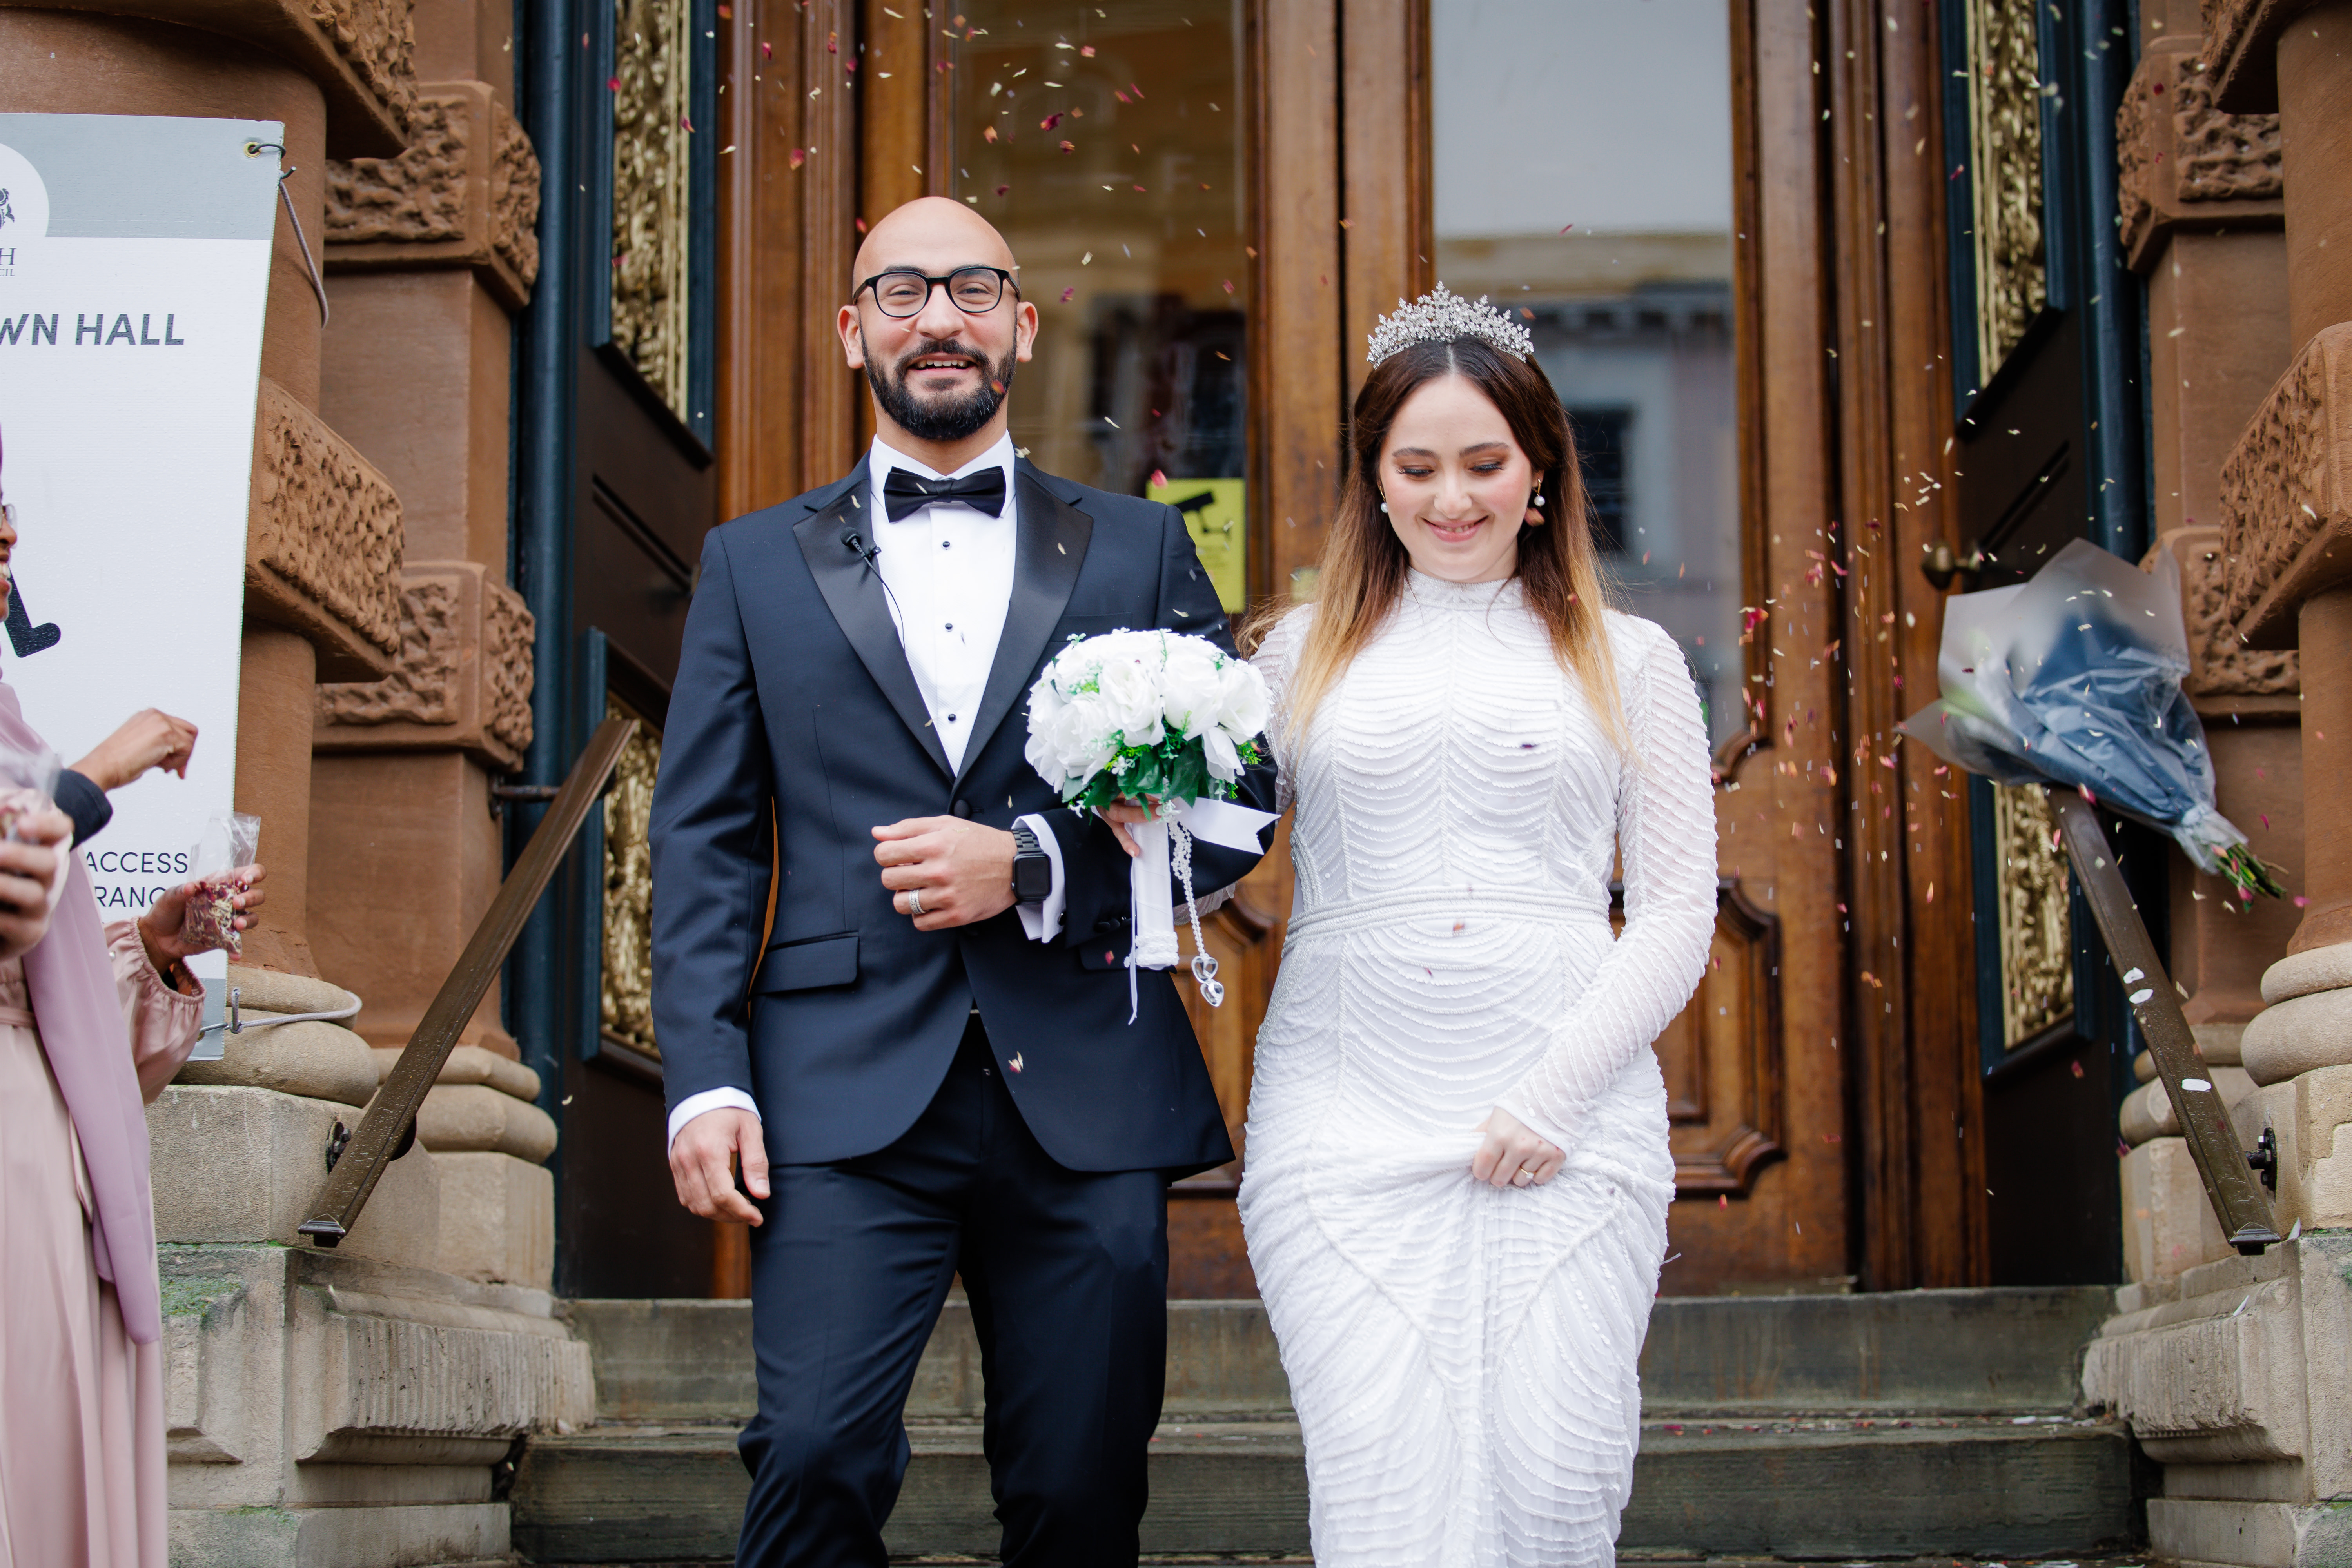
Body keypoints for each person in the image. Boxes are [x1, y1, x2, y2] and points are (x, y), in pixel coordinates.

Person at [650, 196, 1277, 1566]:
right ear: (851, 329)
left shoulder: (1139, 548)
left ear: (1024, 327)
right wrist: (705, 1078)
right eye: (903, 291)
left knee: (1080, 1492)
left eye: (974, 289)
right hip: (838, 1093)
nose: (939, 318)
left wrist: (1039, 861)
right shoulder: (749, 564)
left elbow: (1241, 804)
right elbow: (705, 838)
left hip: (1088, 1080)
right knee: (812, 1455)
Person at [1236, 287, 1717, 1565]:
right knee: (1381, 1499)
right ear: (1375, 481)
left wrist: (1555, 1096)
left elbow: (1677, 909)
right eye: (1418, 467)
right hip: (1343, 1117)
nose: (1453, 497)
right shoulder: (1293, 657)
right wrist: (1133, 812)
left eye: (1485, 463)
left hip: (1568, 1118)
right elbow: (1207, 862)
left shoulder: (1631, 658)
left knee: (1558, 1486)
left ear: (1540, 470)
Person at [0, 505, 265, 1566]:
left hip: (44, 1169)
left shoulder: (9, 728)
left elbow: (54, 1025)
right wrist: (95, 776)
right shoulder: (38, 766)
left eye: (8, 515)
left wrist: (157, 947)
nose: (7, 542)